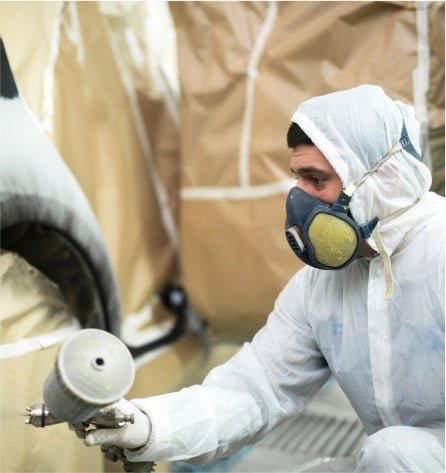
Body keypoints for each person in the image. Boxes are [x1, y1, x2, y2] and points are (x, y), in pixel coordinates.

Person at [75, 85, 445, 472]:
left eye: (316, 181)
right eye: (297, 179)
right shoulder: (318, 289)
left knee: (389, 454)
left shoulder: (438, 252)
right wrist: (150, 426)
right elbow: (256, 388)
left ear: (381, 179)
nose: (299, 200)